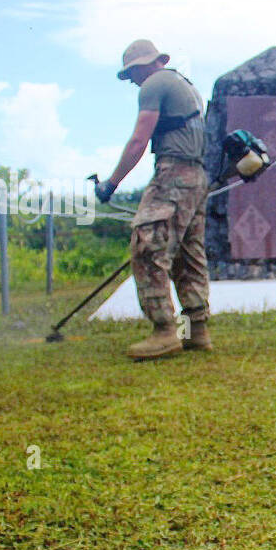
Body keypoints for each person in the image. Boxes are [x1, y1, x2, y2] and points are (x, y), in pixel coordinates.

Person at [97, 39, 213, 359]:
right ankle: (196, 331)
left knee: (148, 246)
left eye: (132, 72)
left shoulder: (155, 83)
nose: (132, 79)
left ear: (144, 65)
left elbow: (139, 139)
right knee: (187, 254)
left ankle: (164, 331)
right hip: (197, 176)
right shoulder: (184, 85)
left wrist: (111, 183)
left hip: (174, 175)